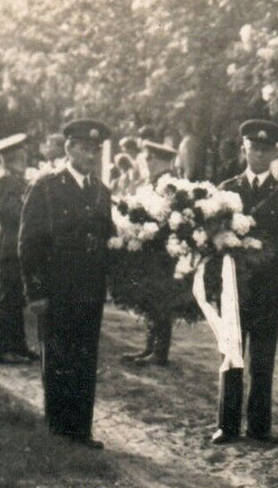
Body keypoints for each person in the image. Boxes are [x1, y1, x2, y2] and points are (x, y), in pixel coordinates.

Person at [19, 119, 116, 448]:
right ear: (69, 149)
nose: (91, 155)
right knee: (59, 358)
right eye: (85, 149)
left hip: (89, 290)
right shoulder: (47, 186)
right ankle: (59, 431)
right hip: (56, 289)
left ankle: (81, 430)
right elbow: (28, 243)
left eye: (96, 150)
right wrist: (35, 291)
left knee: (85, 358)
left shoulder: (102, 192)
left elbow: (106, 239)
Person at [208, 120, 278, 445]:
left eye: (265, 149)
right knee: (231, 355)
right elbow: (215, 238)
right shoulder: (227, 189)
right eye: (253, 148)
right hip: (234, 287)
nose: (258, 154)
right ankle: (228, 425)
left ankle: (260, 427)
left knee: (263, 361)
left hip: (267, 288)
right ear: (244, 148)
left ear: (275, 153)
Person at [122, 140, 181, 367]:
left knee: (160, 298)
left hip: (163, 250)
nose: (146, 162)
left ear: (161, 161)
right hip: (151, 248)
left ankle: (159, 350)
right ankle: (150, 346)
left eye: (150, 159)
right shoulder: (154, 181)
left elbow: (169, 217)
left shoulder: (169, 183)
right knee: (150, 297)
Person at [0, 133, 38, 365]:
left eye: (24, 156)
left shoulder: (17, 180)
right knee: (10, 298)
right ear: (8, 159)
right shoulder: (4, 181)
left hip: (19, 245)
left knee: (17, 299)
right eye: (18, 156)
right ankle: (5, 349)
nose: (23, 160)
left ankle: (18, 346)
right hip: (10, 246)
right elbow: (13, 212)